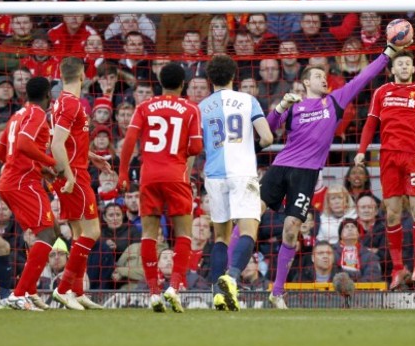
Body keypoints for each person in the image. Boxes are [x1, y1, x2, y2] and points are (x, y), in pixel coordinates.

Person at [262, 37, 410, 308]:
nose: (324, 79)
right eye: (319, 76)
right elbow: (268, 129)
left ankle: (277, 292)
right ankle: (231, 276)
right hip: (281, 165)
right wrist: (281, 106)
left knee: (291, 230)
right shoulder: (294, 105)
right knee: (252, 213)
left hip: (306, 174)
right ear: (306, 82)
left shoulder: (334, 101)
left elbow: (364, 77)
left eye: (324, 76)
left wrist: (387, 53)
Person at [118, 63, 204, 313]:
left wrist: (123, 173)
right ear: (183, 84)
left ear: (160, 82)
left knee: (149, 234)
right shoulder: (190, 109)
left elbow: (129, 141)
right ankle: (175, 287)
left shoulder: (144, 107)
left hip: (149, 176)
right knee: (183, 233)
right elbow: (197, 148)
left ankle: (154, 291)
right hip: (176, 176)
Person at [355, 50, 415, 289]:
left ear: (413, 69)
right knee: (392, 214)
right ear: (392, 70)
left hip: (414, 156)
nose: (404, 67)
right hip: (388, 157)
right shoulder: (381, 93)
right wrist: (362, 150)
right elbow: (370, 124)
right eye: (400, 64)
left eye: (408, 64)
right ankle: (397, 268)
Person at [199, 55, 273, 312]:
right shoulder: (248, 100)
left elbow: (196, 145)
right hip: (243, 173)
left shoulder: (202, 107)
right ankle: (231, 277)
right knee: (248, 232)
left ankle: (217, 293)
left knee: (220, 236)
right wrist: (248, 148)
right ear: (234, 76)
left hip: (215, 174)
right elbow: (267, 137)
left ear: (210, 79)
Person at [50, 57, 112, 311]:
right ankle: (62, 289)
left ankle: (77, 291)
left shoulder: (60, 103)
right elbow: (55, 144)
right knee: (92, 232)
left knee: (78, 234)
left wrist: (90, 155)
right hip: (73, 174)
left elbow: (69, 141)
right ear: (83, 77)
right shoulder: (72, 104)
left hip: (73, 168)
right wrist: (71, 175)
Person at [0, 77, 57, 311]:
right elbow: (22, 144)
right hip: (23, 183)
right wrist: (50, 162)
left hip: (10, 181)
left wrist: (40, 168)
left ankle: (29, 291)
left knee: (50, 231)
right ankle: (19, 294)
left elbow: (1, 152)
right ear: (48, 94)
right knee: (48, 234)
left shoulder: (17, 115)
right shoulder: (37, 114)